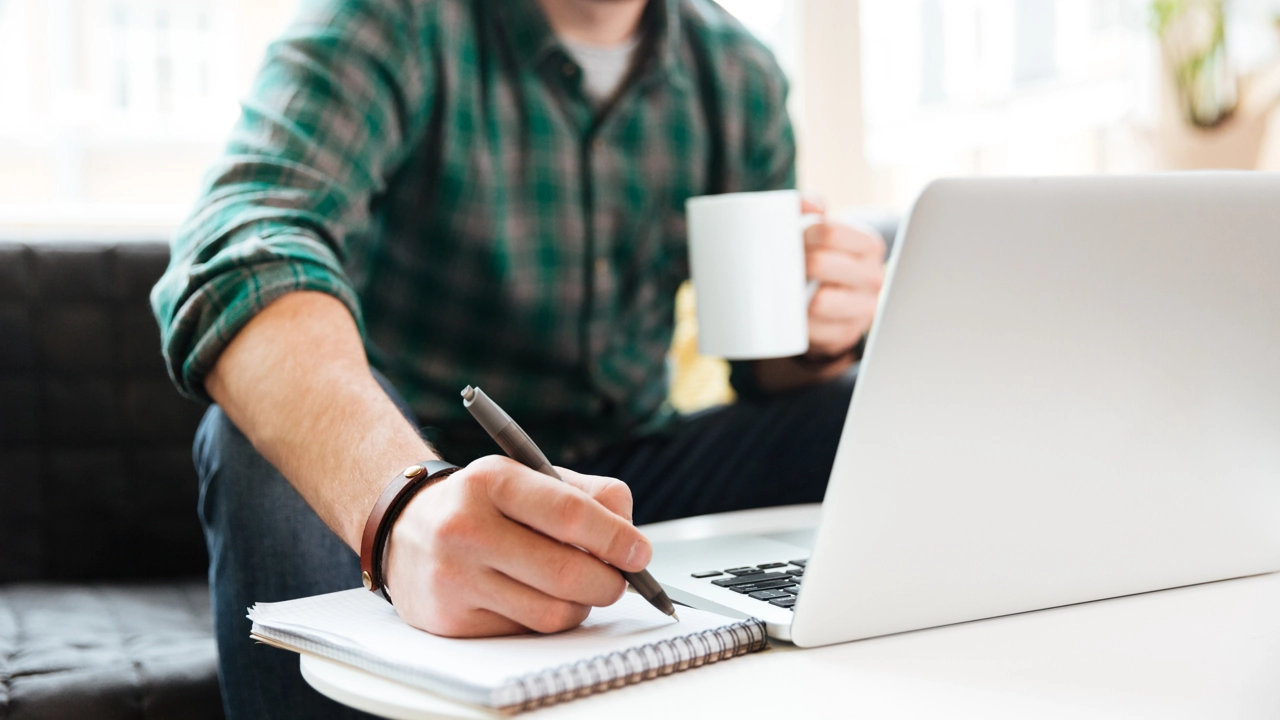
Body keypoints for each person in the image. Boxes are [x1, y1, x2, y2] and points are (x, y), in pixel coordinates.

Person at [151, 0, 887, 716]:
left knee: (863, 410)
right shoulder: (390, 21)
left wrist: (819, 333)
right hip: (423, 470)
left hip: (630, 481)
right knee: (252, 438)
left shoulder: (737, 70)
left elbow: (764, 373)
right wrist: (402, 500)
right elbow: (239, 244)